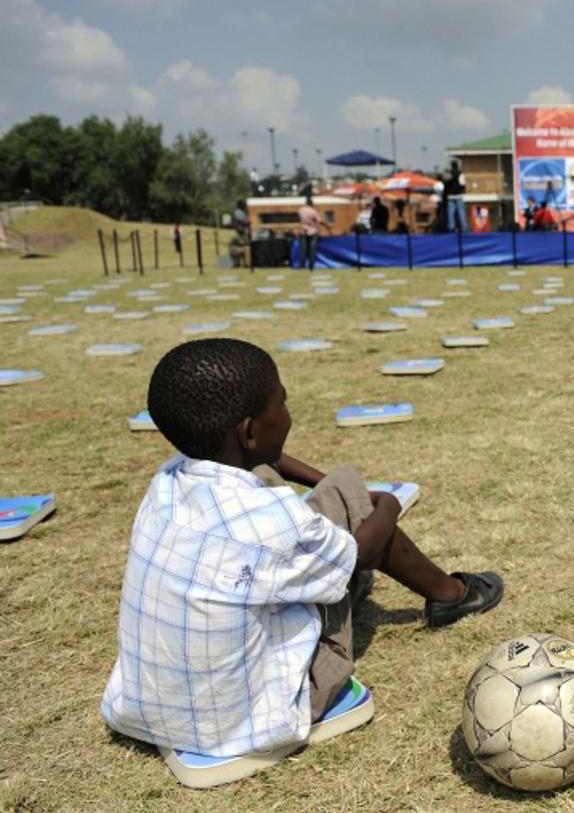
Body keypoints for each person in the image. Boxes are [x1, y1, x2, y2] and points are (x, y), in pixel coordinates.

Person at [101, 338, 503, 759]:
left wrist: (328, 484)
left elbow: (265, 464)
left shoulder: (166, 482)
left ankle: (364, 555)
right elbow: (362, 553)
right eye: (283, 403)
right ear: (250, 431)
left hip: (147, 710)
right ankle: (452, 595)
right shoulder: (274, 523)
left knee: (331, 493)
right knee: (353, 508)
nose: (288, 414)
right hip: (251, 722)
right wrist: (385, 503)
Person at [296, 196, 330, 271]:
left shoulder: (301, 210)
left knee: (303, 249)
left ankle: (301, 265)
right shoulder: (313, 211)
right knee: (312, 250)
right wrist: (326, 225)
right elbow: (319, 221)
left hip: (304, 231)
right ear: (311, 203)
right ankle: (311, 266)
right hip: (313, 232)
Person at [443, 159, 468, 233]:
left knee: (450, 212)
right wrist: (463, 190)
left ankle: (451, 227)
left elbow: (445, 183)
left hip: (450, 195)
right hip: (458, 195)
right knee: (461, 211)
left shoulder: (448, 173)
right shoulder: (460, 173)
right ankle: (463, 227)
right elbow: (462, 183)